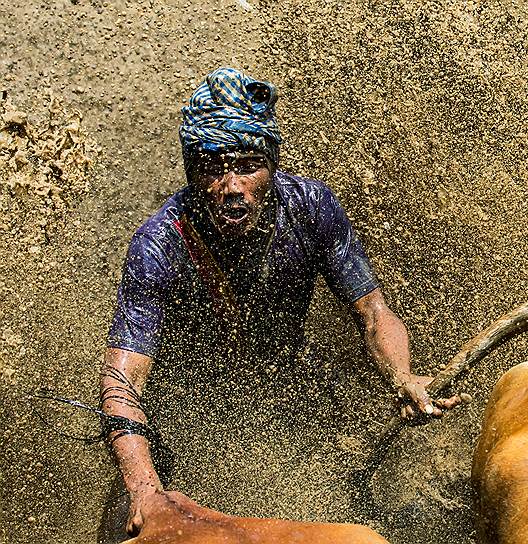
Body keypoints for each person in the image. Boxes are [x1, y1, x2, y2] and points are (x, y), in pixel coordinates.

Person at [99, 67, 460, 539]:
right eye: (212, 166)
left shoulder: (311, 207)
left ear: (271, 163)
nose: (231, 185)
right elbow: (121, 377)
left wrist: (402, 376)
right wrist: (145, 491)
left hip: (290, 385)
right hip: (186, 416)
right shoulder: (160, 244)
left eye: (247, 164)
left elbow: (372, 312)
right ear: (191, 172)